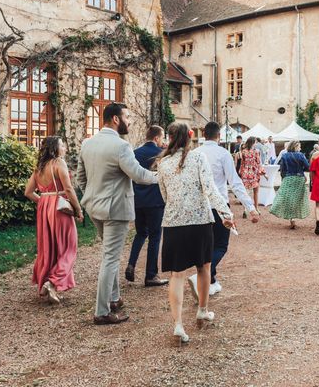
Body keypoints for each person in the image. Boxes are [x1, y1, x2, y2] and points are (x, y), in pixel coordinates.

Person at [77, 102, 159, 326]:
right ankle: (102, 311)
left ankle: (113, 298)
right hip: (115, 209)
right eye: (127, 116)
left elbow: (80, 178)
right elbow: (139, 175)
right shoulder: (121, 146)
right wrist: (163, 177)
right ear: (115, 119)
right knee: (110, 259)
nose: (129, 121)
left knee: (108, 255)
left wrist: (91, 196)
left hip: (94, 207)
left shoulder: (88, 143)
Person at [157, 122, 235, 345]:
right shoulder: (198, 158)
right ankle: (202, 309)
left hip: (173, 223)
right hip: (200, 221)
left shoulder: (162, 164)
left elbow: (164, 195)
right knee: (204, 266)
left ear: (169, 138)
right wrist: (226, 212)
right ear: (189, 137)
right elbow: (210, 189)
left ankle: (178, 324)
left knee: (177, 275)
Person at [191, 122, 259, 297]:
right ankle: (201, 276)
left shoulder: (194, 154)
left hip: (199, 207)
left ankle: (211, 281)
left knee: (205, 245)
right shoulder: (223, 154)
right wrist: (250, 207)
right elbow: (235, 182)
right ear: (219, 136)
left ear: (204, 134)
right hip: (219, 206)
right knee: (221, 245)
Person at [25, 136, 83, 304]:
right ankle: (52, 282)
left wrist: (44, 201)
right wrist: (78, 210)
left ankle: (48, 282)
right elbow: (68, 188)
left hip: (45, 208)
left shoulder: (39, 167)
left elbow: (28, 192)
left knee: (49, 247)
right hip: (59, 207)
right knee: (68, 247)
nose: (64, 148)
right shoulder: (59, 163)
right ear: (54, 149)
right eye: (61, 145)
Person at [125, 126, 169, 287]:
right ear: (157, 138)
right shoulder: (161, 155)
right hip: (155, 201)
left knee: (140, 233)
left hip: (137, 200)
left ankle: (131, 264)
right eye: (162, 137)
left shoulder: (135, 153)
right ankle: (151, 275)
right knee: (155, 236)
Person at [270, 140, 310, 229]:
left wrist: (283, 178)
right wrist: (302, 172)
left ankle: (291, 219)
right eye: (299, 146)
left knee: (286, 197)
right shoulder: (301, 155)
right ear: (295, 146)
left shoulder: (284, 156)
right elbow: (308, 167)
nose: (300, 148)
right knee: (297, 199)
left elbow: (282, 169)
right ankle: (293, 219)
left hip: (288, 178)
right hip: (299, 178)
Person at [237, 136, 266, 209]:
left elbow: (242, 164)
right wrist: (263, 172)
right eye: (255, 142)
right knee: (255, 192)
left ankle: (245, 210)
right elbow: (259, 163)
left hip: (245, 173)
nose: (256, 144)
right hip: (254, 173)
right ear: (253, 143)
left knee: (245, 193)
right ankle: (256, 209)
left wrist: (241, 173)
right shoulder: (256, 151)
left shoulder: (243, 152)